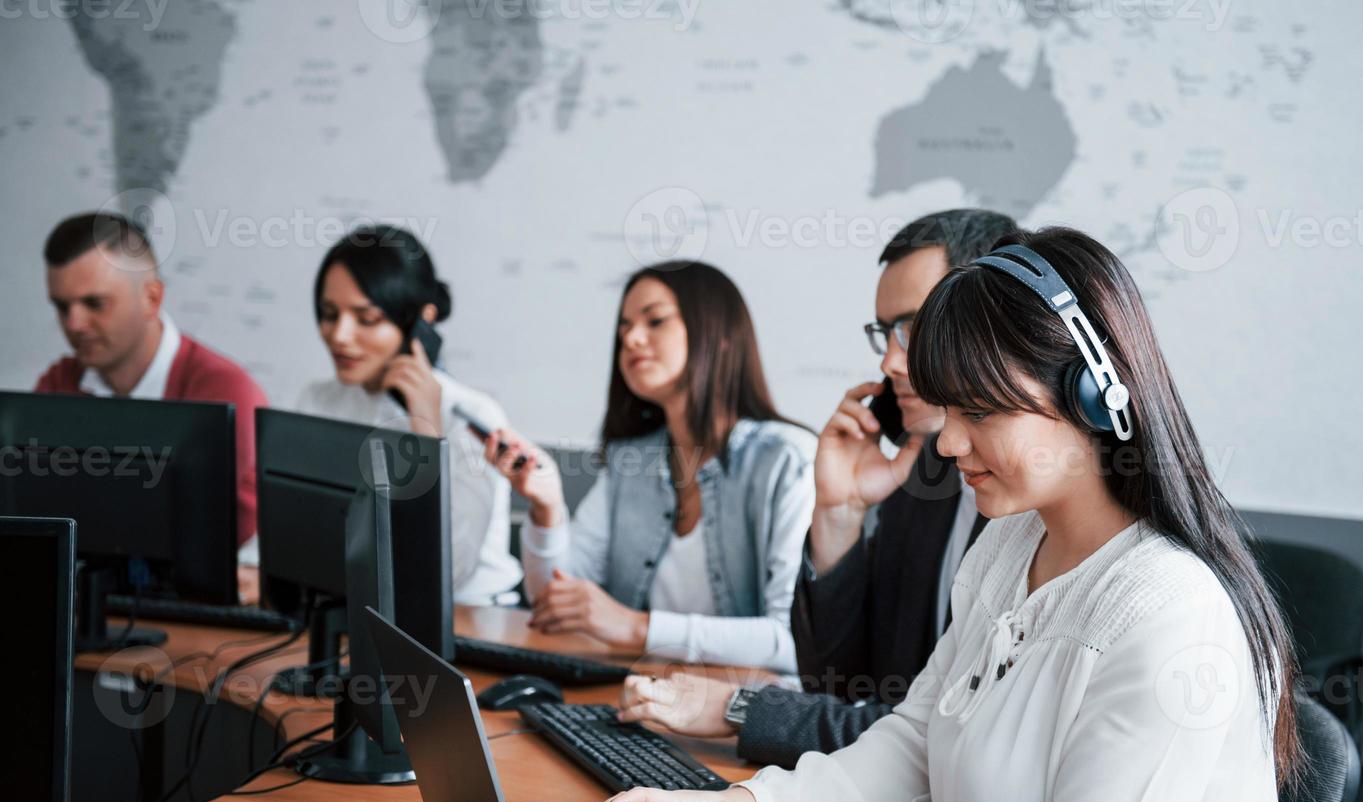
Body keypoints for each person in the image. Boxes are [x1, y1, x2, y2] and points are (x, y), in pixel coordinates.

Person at [580, 227, 1327, 802]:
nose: (946, 444)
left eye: (981, 412)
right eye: (948, 410)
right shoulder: (1009, 546)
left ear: (1093, 398)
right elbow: (919, 742)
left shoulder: (1169, 610)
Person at [615, 210, 1017, 766]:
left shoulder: (1040, 513)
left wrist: (738, 709)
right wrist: (839, 514)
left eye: (915, 327)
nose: (890, 361)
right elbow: (847, 686)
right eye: (885, 333)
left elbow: (941, 743)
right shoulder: (923, 478)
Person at [487, 261, 815, 671]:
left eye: (655, 321)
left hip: (739, 719)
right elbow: (553, 603)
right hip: (642, 700)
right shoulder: (631, 460)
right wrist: (547, 506)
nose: (632, 339)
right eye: (624, 328)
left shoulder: (788, 459)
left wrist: (636, 628)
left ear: (720, 334)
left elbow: (793, 642)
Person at [35, 211, 268, 589]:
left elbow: (241, 545)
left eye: (94, 304)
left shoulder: (225, 394)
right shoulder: (59, 384)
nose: (73, 324)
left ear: (151, 298)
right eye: (62, 307)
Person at [296, 224, 520, 605]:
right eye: (329, 314)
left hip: (471, 620)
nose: (339, 336)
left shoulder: (471, 416)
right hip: (356, 606)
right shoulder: (318, 400)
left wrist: (425, 433)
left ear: (421, 320)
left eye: (366, 319)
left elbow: (446, 571)